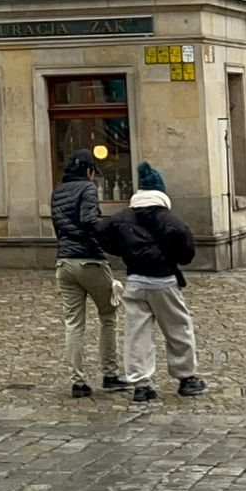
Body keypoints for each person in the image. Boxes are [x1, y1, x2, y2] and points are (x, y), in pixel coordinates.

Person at [96, 163, 206, 402]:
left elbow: (102, 234)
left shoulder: (121, 218)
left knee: (137, 334)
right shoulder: (171, 220)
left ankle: (141, 385)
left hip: (135, 279)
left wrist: (126, 251)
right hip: (164, 280)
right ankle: (186, 377)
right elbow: (186, 253)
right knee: (178, 328)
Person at [50, 150, 128, 397]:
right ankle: (110, 373)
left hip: (64, 262)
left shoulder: (57, 192)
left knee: (74, 323)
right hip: (90, 261)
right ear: (88, 171)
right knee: (108, 314)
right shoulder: (88, 189)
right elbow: (89, 220)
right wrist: (110, 235)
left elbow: (59, 227)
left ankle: (78, 381)